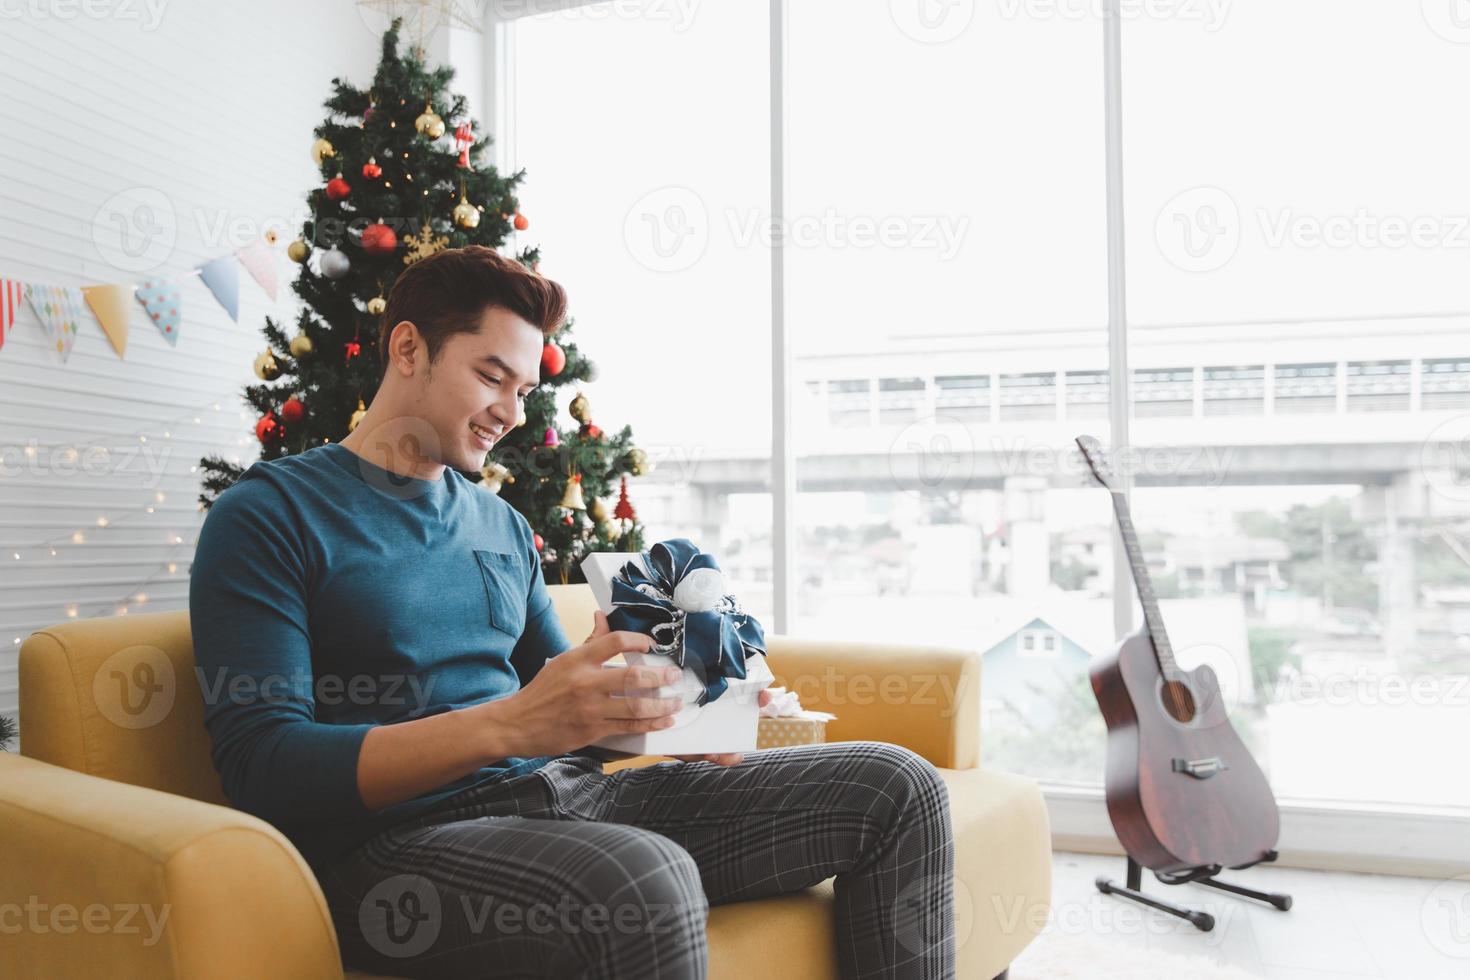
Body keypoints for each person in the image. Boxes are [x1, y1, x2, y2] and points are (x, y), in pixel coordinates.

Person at [189, 245, 954, 978]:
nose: (512, 414)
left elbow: (569, 718)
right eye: (492, 376)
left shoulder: (500, 525)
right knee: (639, 879)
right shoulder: (269, 515)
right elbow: (264, 765)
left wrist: (669, 715)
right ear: (409, 349)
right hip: (394, 847)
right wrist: (509, 725)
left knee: (897, 786)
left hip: (565, 796)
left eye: (524, 391)